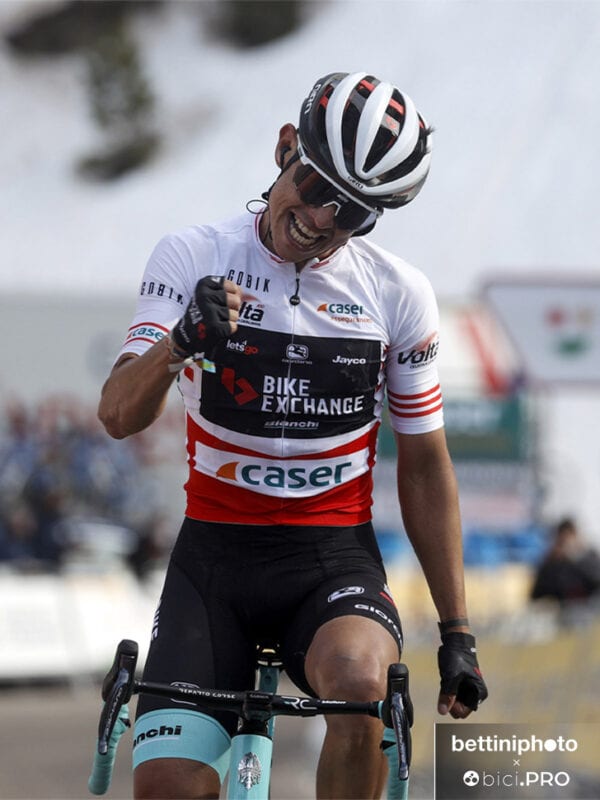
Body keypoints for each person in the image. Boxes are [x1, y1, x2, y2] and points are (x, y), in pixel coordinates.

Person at [98, 71, 488, 800]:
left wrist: (457, 633)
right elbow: (118, 414)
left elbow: (426, 467)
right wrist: (179, 342)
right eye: (313, 186)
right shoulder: (193, 255)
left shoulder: (398, 294)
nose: (320, 218)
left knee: (362, 690)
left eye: (352, 213)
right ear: (285, 148)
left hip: (331, 561)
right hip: (214, 562)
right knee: (168, 789)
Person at [531, 517, 600, 606]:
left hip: (588, 607)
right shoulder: (551, 563)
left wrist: (577, 558)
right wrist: (556, 563)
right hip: (563, 608)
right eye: (563, 541)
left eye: (569, 538)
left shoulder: (589, 556)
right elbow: (538, 594)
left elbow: (595, 581)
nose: (567, 545)